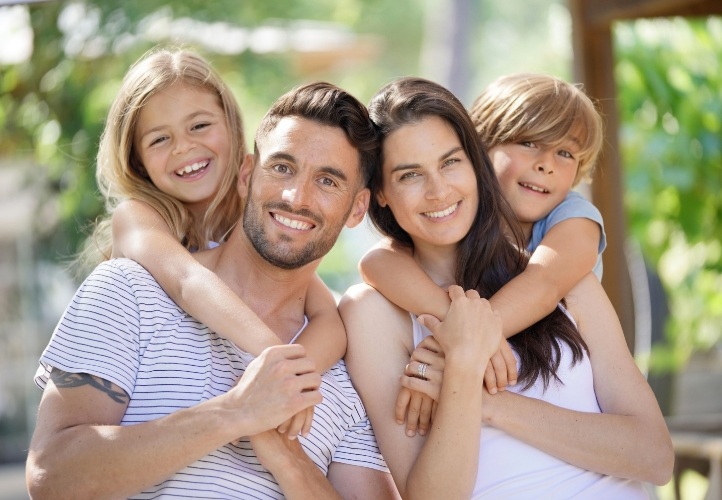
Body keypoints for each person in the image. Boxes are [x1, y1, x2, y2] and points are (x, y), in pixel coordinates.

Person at [26, 82, 399, 499]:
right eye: (282, 167)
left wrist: (285, 455)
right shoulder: (129, 289)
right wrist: (233, 413)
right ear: (246, 175)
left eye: (328, 181)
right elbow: (50, 476)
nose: (297, 197)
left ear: (358, 208)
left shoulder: (345, 369)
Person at [339, 77, 673, 498]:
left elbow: (656, 457)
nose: (439, 190)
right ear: (381, 193)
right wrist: (464, 356)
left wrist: (478, 390)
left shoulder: (564, 275)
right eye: (410, 175)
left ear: (474, 163)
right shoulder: (374, 311)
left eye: (450, 162)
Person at [79, 47, 348, 437]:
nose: (183, 147)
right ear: (137, 161)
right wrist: (276, 361)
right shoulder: (138, 218)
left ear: (231, 126)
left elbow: (328, 318)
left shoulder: (259, 215)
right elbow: (189, 282)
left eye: (199, 126)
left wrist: (295, 382)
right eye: (159, 139)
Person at [358, 74, 606, 429]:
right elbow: (377, 261)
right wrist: (457, 330)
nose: (547, 163)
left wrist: (461, 343)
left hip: (577, 394)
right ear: (482, 147)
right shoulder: (460, 219)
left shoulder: (574, 218)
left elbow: (544, 284)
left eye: (565, 153)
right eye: (529, 142)